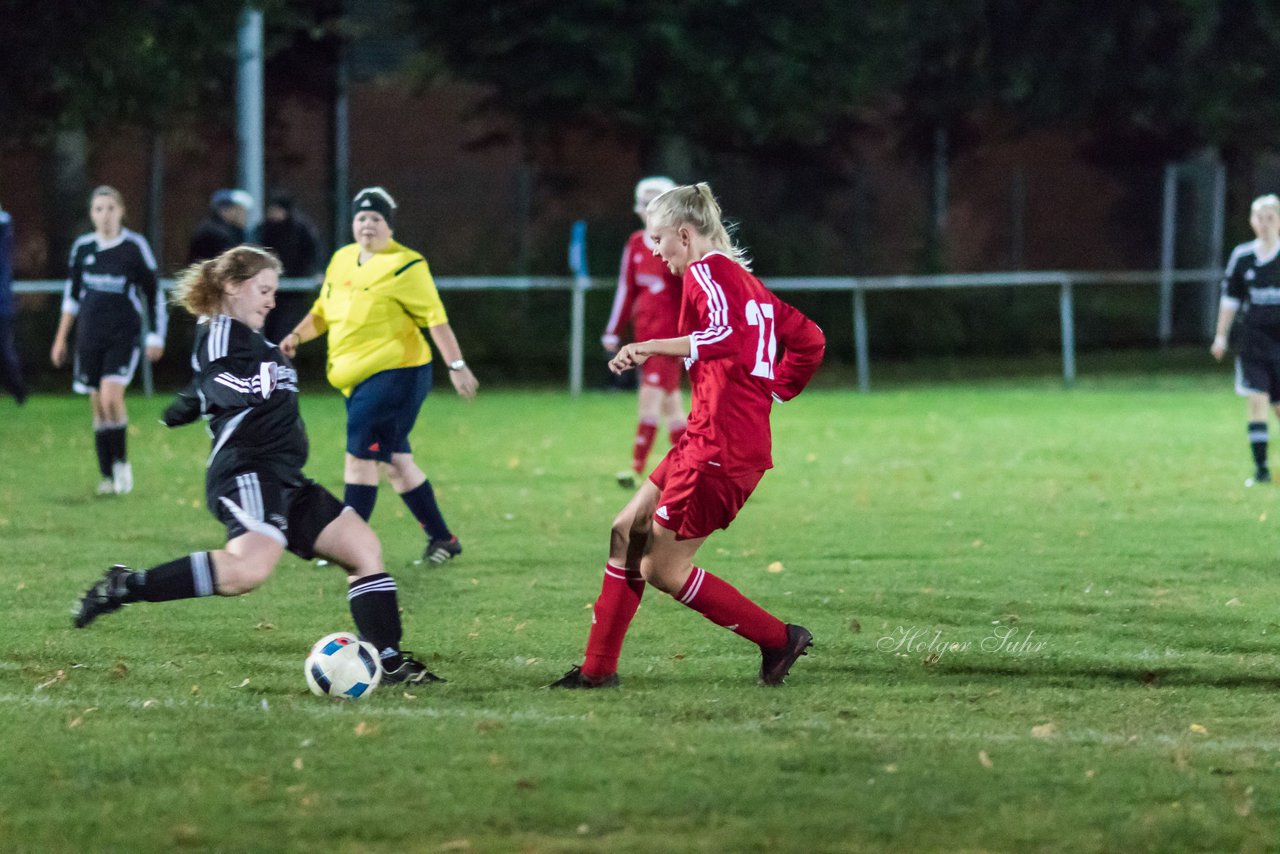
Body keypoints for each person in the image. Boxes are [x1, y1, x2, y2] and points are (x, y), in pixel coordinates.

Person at [72, 245, 443, 686]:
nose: (271, 300)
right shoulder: (222, 331)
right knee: (247, 570)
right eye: (264, 290)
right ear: (232, 286)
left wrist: (197, 399)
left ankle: (387, 659)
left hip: (284, 476)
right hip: (248, 470)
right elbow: (222, 379)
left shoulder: (248, 338)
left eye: (274, 291)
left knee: (362, 548)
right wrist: (228, 390)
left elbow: (213, 382)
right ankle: (127, 586)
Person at [549, 183, 826, 689]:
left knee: (662, 568)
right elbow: (809, 338)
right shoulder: (742, 280)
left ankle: (778, 639)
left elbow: (727, 337)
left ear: (683, 233)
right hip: (707, 438)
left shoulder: (707, 271)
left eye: (658, 240)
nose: (654, 251)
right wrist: (774, 390)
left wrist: (650, 345)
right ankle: (597, 671)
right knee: (625, 530)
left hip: (720, 451)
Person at [282, 187, 479, 565]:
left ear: (389, 225)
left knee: (359, 459)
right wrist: (296, 336)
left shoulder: (406, 264)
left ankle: (348, 545)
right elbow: (323, 310)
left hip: (397, 376)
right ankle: (443, 539)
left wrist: (456, 366)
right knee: (397, 464)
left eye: (376, 218)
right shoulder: (341, 259)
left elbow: (436, 321)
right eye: (361, 217)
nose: (367, 224)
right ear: (352, 223)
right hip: (356, 382)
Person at [50, 186, 165, 494]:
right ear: (91, 214)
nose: (105, 215)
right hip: (89, 335)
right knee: (97, 405)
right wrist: (60, 339)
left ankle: (122, 466)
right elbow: (72, 298)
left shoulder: (134, 247)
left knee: (110, 398)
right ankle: (106, 475)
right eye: (98, 209)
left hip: (123, 334)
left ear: (121, 211)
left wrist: (155, 334)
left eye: (110, 208)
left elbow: (154, 293)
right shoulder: (83, 248)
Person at [602, 176, 688, 488]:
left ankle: (636, 468)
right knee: (672, 405)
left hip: (669, 339)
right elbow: (626, 289)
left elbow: (692, 290)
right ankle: (694, 467)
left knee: (649, 398)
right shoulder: (636, 243)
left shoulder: (680, 243)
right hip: (645, 334)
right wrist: (614, 329)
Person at [1212, 193, 1280, 486]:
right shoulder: (1242, 257)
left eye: (1270, 218)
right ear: (1252, 222)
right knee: (1257, 401)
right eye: (1259, 219)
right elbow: (1230, 299)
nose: (1264, 224)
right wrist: (1220, 336)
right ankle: (1261, 469)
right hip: (1253, 343)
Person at [251, 189, 321, 344]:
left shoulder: (301, 229)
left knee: (283, 328)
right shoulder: (265, 228)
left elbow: (312, 252)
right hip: (270, 288)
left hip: (292, 292)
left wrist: (313, 272)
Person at [0, 204, 28, 404]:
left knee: (4, 349)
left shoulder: (4, 226)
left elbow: (4, 220)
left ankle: (19, 390)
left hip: (2, 305)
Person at [188, 189, 253, 264]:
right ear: (225, 210)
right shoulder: (218, 233)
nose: (244, 216)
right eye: (238, 210)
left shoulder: (214, 227)